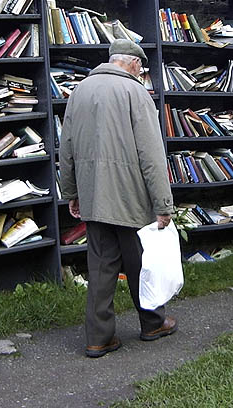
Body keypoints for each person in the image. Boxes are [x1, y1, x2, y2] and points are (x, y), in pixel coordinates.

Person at [60, 38, 178, 358]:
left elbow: (66, 149)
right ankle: (152, 323)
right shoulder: (136, 92)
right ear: (135, 64)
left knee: (100, 268)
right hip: (131, 197)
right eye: (142, 68)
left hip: (94, 196)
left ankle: (98, 338)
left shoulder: (79, 91)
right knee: (141, 263)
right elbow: (152, 155)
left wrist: (71, 191)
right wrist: (163, 204)